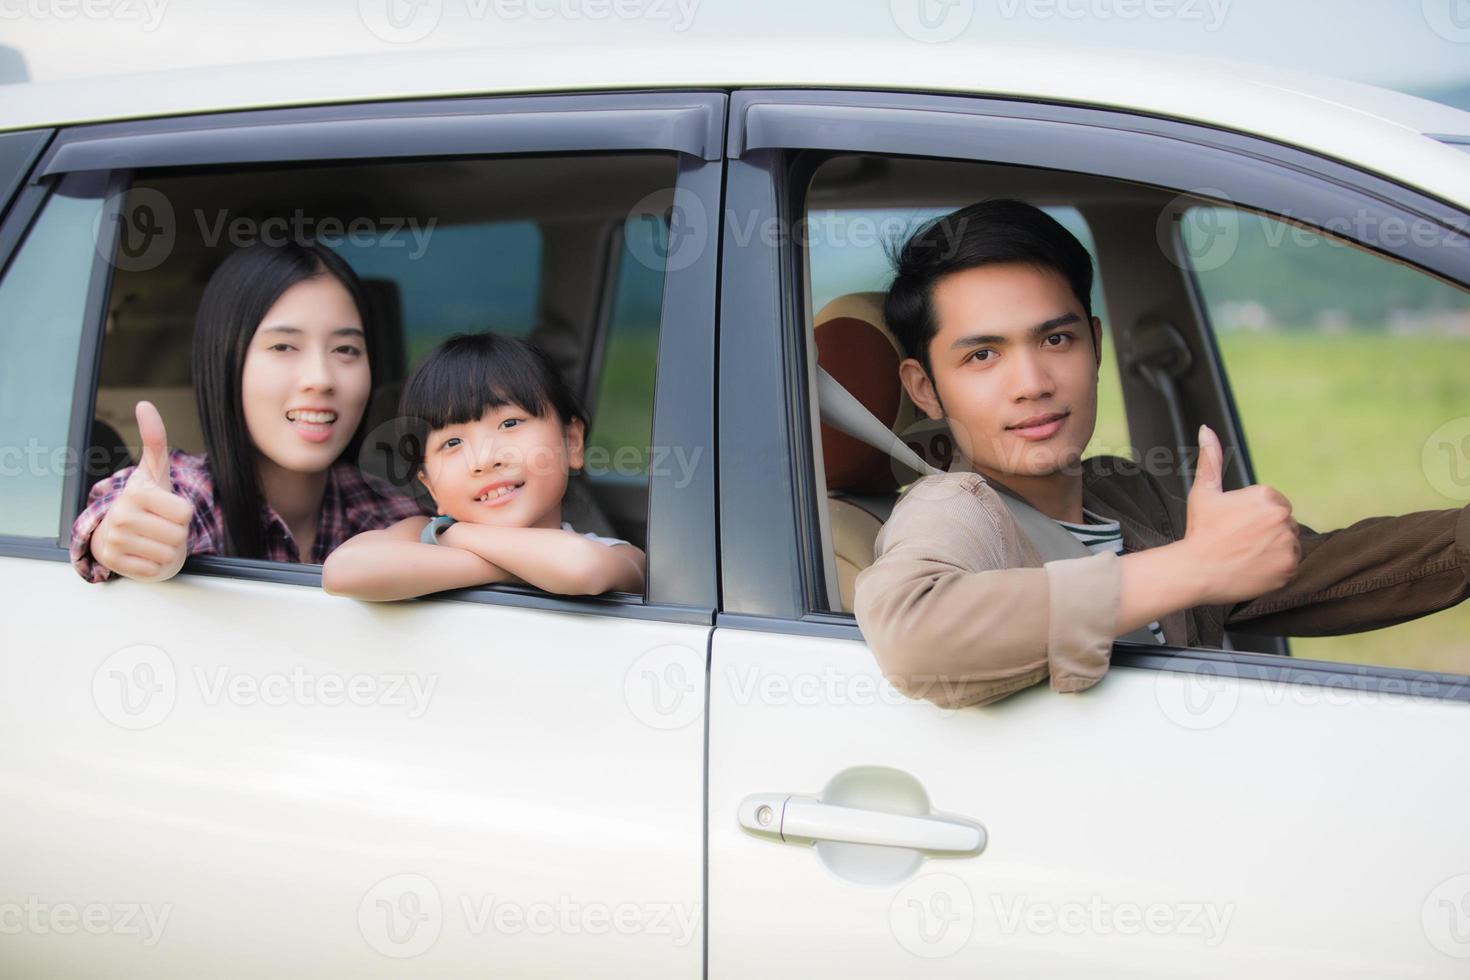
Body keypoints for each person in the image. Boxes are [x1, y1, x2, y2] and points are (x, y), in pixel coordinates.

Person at [853, 200, 1470, 708]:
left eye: (1056, 338)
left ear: (1095, 345)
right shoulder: (954, 509)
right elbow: (913, 635)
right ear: (925, 387)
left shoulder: (1124, 493)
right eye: (983, 355)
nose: (1033, 381)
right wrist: (1194, 566)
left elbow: (1328, 571)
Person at [70, 241, 427, 583]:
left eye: (346, 349)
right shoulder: (191, 493)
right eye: (284, 345)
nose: (320, 379)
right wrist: (125, 539)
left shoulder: (387, 511)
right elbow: (126, 515)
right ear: (226, 363)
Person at [321, 332, 646, 601]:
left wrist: (458, 536)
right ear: (431, 485)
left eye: (510, 423)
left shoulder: (619, 556)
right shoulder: (419, 533)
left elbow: (582, 568)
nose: (484, 459)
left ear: (572, 442)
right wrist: (507, 564)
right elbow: (343, 569)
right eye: (452, 443)